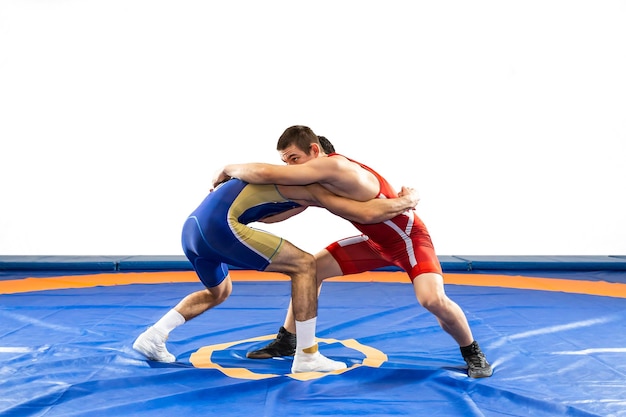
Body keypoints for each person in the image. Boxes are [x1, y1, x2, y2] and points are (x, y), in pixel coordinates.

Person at [211, 126, 493, 378]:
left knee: (432, 300)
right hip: (374, 242)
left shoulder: (337, 168)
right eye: (286, 162)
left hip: (408, 239)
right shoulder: (322, 183)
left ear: (315, 151)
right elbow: (282, 212)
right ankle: (288, 339)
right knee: (311, 270)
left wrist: (227, 167)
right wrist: (237, 213)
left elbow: (267, 174)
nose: (291, 168)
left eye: (294, 160)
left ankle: (471, 350)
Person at [133, 176, 419, 373]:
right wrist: (406, 201)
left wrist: (303, 204)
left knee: (218, 291)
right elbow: (364, 212)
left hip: (192, 230)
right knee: (306, 265)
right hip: (219, 228)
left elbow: (267, 216)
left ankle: (154, 335)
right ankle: (307, 356)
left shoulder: (267, 182)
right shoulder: (304, 180)